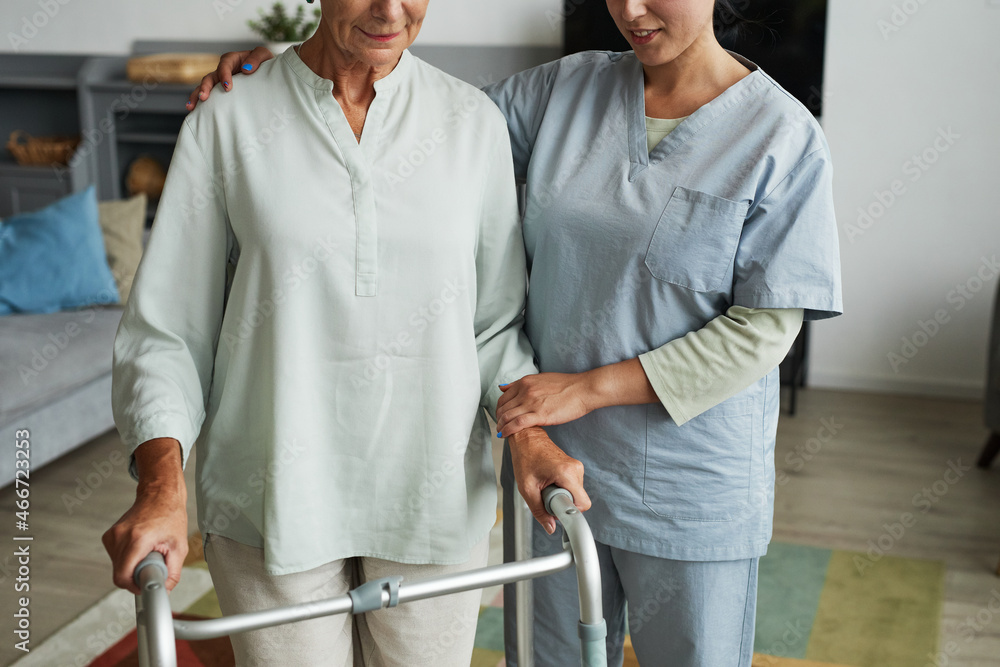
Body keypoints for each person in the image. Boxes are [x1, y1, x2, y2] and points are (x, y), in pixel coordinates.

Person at [189, 0, 843, 664]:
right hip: (546, 463)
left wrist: (589, 389)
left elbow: (764, 329)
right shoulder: (563, 92)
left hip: (688, 479)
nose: (632, 11)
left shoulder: (781, 137)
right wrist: (284, 74)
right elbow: (405, 110)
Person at [101, 1, 592, 665]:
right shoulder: (229, 116)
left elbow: (493, 325)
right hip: (269, 497)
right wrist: (162, 488)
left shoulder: (471, 122)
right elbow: (169, 332)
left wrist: (529, 436)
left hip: (433, 496)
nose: (390, 10)